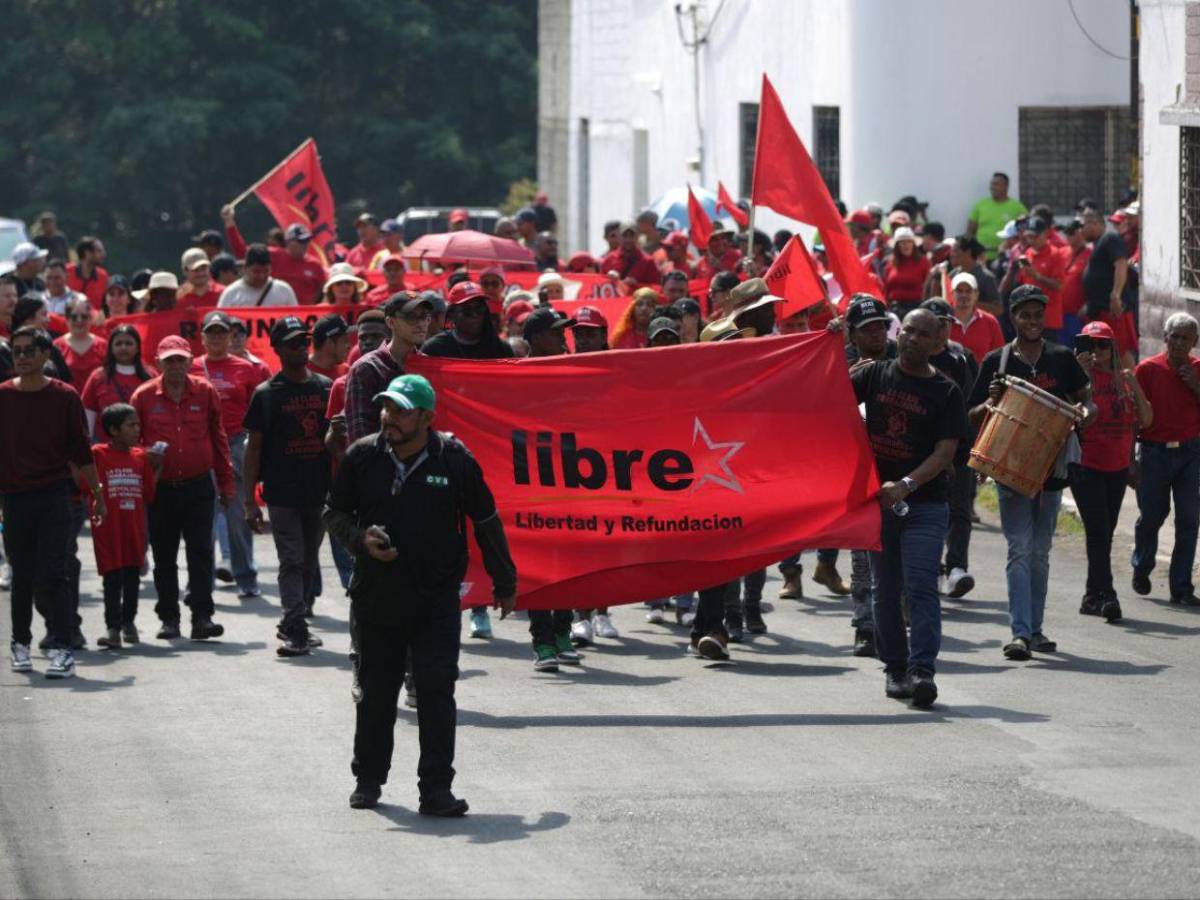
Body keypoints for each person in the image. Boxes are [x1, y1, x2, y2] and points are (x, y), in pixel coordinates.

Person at [324, 374, 517, 813]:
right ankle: (368, 781)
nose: (389, 417)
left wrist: (505, 582)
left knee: (436, 692)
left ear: (426, 418)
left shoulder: (454, 460)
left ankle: (436, 790)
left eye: (401, 410)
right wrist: (359, 540)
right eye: (386, 408)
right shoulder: (362, 456)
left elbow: (486, 519)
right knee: (376, 692)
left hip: (435, 601)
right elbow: (333, 513)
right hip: (377, 597)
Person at [968, 285, 1091, 661]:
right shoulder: (997, 361)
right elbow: (972, 415)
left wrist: (1085, 413)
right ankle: (1020, 633)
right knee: (1019, 549)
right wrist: (990, 401)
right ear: (1014, 317)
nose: (1033, 321)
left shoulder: (1061, 358)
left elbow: (1087, 401)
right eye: (1025, 315)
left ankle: (1035, 630)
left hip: (1052, 469)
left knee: (1040, 552)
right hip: (1011, 470)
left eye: (1038, 315)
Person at [851, 308, 965, 708]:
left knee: (920, 587)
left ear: (938, 344)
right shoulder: (873, 375)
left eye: (922, 335)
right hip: (876, 505)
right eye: (908, 331)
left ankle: (922, 671)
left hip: (925, 505)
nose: (911, 339)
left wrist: (905, 485)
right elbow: (826, 395)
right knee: (885, 590)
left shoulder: (947, 393)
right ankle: (895, 670)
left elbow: (945, 452)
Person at [2, 326, 105, 679]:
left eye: (30, 350)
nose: (22, 356)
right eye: (17, 350)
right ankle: (20, 644)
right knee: (22, 576)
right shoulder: (2, 396)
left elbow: (82, 449)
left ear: (46, 355)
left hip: (54, 496)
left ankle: (62, 647)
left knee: (54, 574)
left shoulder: (64, 396)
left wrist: (98, 494)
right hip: (14, 498)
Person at [131, 335, 235, 641]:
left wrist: (227, 484)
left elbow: (219, 439)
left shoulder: (205, 392)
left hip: (199, 486)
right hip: (160, 488)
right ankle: (169, 618)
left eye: (180, 360)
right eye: (169, 361)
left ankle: (202, 617)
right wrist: (142, 459)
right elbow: (130, 442)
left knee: (201, 552)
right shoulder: (144, 396)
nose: (175, 366)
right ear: (159, 363)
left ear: (190, 361)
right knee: (164, 556)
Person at [243, 316, 333, 656]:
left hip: (318, 491)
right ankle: (295, 627)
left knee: (309, 562)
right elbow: (253, 449)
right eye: (294, 342)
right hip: (281, 494)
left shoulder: (325, 387)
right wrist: (249, 502)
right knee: (292, 559)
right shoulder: (266, 395)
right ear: (278, 349)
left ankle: (293, 619)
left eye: (304, 341)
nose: (301, 347)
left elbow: (337, 443)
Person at [1072, 321, 1152, 622]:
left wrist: (1136, 388)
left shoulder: (1125, 379)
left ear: (1113, 348)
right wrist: (1079, 373)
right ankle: (1107, 595)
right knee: (1099, 531)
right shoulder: (1078, 379)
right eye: (1091, 345)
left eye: (1103, 345)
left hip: (1117, 467)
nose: (1098, 351)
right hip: (1085, 465)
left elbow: (1144, 420)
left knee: (1104, 534)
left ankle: (1091, 596)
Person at [520, 308, 583, 671]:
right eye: (555, 332)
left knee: (569, 560)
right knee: (538, 566)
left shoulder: (573, 372)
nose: (563, 337)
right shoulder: (515, 375)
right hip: (531, 483)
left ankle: (563, 632)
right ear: (534, 338)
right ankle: (542, 642)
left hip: (573, 477)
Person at [193, 310, 267, 597]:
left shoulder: (246, 368)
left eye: (222, 332)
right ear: (202, 337)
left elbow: (256, 411)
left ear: (230, 336)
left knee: (237, 514)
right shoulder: (192, 366)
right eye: (210, 332)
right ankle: (201, 582)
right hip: (203, 442)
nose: (216, 337)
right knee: (203, 516)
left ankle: (246, 577)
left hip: (236, 443)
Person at [1130, 313, 1200, 606]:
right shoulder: (1146, 369)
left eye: (1186, 338)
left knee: (1189, 519)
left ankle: (1181, 587)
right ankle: (1142, 566)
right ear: (1165, 338)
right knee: (1153, 515)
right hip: (1154, 452)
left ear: (1194, 343)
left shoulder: (1197, 369)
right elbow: (1133, 416)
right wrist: (1130, 461)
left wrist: (1194, 385)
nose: (1179, 343)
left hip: (1190, 453)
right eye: (1175, 337)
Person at [920, 299, 979, 599]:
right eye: (935, 322)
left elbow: (973, 404)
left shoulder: (962, 359)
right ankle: (927, 571)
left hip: (959, 448)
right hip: (921, 452)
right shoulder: (910, 359)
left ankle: (956, 568)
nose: (941, 329)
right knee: (927, 511)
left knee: (960, 510)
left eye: (945, 323)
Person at [88, 403, 158, 649]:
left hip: (134, 527)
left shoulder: (140, 457)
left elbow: (148, 493)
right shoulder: (97, 454)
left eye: (138, 424)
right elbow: (86, 485)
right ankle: (113, 628)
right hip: (108, 528)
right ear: (113, 429)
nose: (137, 430)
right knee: (112, 578)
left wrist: (156, 467)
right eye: (131, 425)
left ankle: (129, 623)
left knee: (131, 576)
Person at [81, 324, 155, 440]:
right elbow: (88, 411)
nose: (123, 347)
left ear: (137, 348)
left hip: (141, 449)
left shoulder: (151, 376)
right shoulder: (98, 376)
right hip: (105, 448)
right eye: (118, 344)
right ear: (111, 348)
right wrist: (87, 441)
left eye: (128, 343)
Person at [421, 281, 513, 364]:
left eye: (479, 308)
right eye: (467, 310)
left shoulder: (501, 349)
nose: (474, 314)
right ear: (452, 314)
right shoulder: (434, 350)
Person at [1006, 218, 1067, 342]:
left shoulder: (1056, 254)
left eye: (1035, 236)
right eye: (1029, 236)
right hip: (1028, 319)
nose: (1031, 240)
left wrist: (1037, 276)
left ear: (1045, 234)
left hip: (1049, 320)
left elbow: (1059, 285)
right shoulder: (1028, 253)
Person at [948, 272, 1005, 366]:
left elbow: (1000, 357)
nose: (964, 295)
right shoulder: (943, 321)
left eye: (968, 291)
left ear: (976, 294)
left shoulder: (990, 321)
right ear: (952, 294)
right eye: (959, 291)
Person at [217, 244, 299, 308]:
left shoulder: (284, 290)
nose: (261, 276)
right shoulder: (231, 294)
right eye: (257, 271)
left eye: (266, 271)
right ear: (245, 268)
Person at [966, 172, 1027, 258]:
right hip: (982, 257)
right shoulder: (980, 206)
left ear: (1006, 186)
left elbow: (1024, 234)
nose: (992, 187)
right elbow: (969, 232)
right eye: (992, 184)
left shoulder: (1018, 208)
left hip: (1006, 257)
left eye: (996, 184)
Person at [53, 296, 106, 388]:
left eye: (84, 316)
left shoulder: (103, 345)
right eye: (74, 317)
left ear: (90, 319)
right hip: (67, 400)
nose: (79, 320)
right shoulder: (56, 346)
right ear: (67, 319)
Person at [882, 227, 931, 314]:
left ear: (913, 244)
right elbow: (886, 289)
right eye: (902, 242)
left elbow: (928, 287)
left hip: (915, 309)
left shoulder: (923, 262)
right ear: (897, 246)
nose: (906, 245)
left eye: (909, 241)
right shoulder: (890, 263)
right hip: (893, 309)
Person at [599, 222, 660, 288]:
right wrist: (609, 280)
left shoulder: (648, 261)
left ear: (637, 237)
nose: (628, 240)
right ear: (619, 237)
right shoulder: (609, 260)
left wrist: (637, 285)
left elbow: (656, 288)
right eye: (625, 236)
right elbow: (599, 287)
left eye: (632, 235)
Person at [66, 236, 109, 308]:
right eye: (99, 251)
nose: (103, 254)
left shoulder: (103, 276)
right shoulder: (67, 272)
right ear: (87, 253)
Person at [308, 314, 352, 380]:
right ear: (329, 343)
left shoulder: (347, 371)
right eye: (344, 340)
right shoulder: (300, 372)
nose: (349, 346)